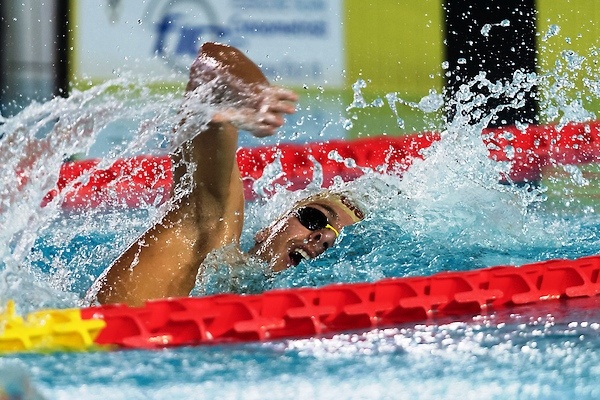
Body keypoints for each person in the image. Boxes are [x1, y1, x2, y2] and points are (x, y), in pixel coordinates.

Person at [91, 42, 364, 307]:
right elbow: (211, 62)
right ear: (268, 229)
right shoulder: (212, 240)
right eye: (314, 217)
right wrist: (253, 95)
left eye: (337, 242)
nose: (325, 237)